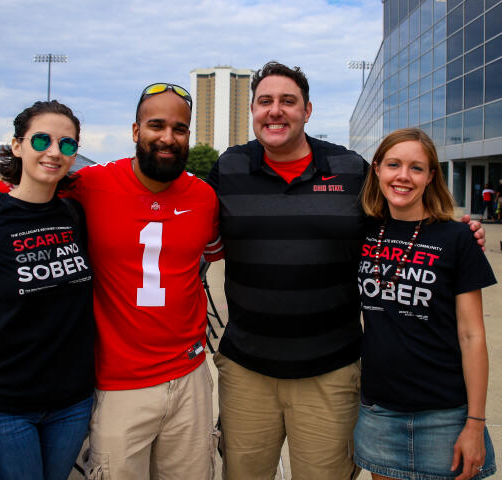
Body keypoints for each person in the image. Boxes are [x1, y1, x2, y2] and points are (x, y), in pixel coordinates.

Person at [207, 61, 485, 480]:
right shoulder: (228, 169)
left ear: (308, 110)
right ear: (252, 110)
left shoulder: (351, 169)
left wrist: (454, 230)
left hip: (331, 373)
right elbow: (188, 222)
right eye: (265, 101)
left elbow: (396, 217)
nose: (276, 110)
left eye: (288, 101)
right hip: (247, 372)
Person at [0, 84, 223, 479]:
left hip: (188, 377)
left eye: (179, 128)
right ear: (135, 131)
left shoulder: (204, 197)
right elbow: (30, 198)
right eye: (156, 125)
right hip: (116, 383)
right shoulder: (90, 186)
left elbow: (224, 249)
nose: (167, 137)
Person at [0, 100, 94, 480]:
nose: (53, 152)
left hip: (72, 402)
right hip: (4, 407)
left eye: (66, 144)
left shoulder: (77, 215)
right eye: (42, 139)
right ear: (17, 145)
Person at [355, 128, 496, 480]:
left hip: (446, 415)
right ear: (377, 169)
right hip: (379, 413)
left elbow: (472, 336)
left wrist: (475, 423)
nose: (403, 176)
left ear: (431, 176)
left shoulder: (457, 237)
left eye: (416, 168)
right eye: (393, 164)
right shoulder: (362, 231)